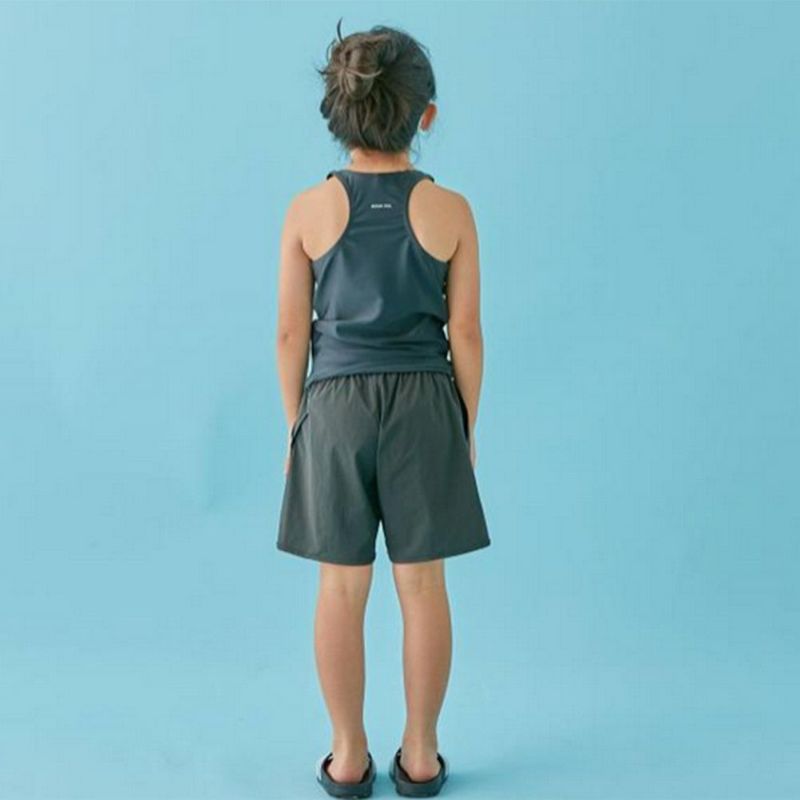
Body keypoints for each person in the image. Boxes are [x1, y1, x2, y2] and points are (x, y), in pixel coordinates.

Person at [275, 20, 491, 798]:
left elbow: (291, 333)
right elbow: (465, 332)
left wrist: (298, 427)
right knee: (423, 586)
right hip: (425, 403)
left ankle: (348, 756)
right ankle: (422, 755)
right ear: (425, 115)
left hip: (334, 404)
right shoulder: (451, 211)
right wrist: (466, 425)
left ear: (336, 114)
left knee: (340, 588)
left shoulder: (307, 211)